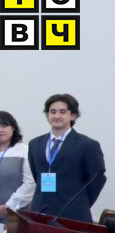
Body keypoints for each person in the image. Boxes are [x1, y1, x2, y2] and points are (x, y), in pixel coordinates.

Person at [27, 93, 106, 223]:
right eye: (53, 112)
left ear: (73, 115)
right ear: (47, 115)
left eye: (62, 112)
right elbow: (37, 176)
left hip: (73, 214)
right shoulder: (35, 144)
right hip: (39, 212)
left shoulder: (87, 145)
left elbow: (97, 179)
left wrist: (80, 202)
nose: (57, 116)